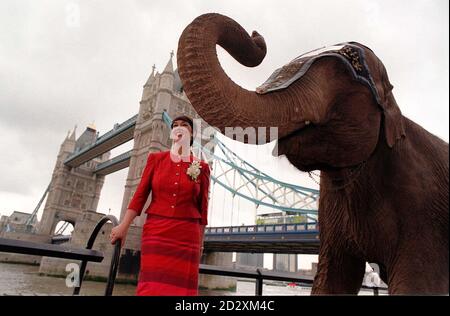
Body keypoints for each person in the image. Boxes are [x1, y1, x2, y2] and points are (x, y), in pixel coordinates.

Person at [109, 115, 211, 296]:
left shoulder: (202, 167)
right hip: (157, 231)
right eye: (175, 125)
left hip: (187, 236)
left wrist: (201, 244)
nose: (179, 128)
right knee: (151, 286)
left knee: (180, 290)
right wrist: (124, 226)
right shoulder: (156, 159)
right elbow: (140, 195)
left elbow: (203, 209)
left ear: (192, 134)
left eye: (185, 125)